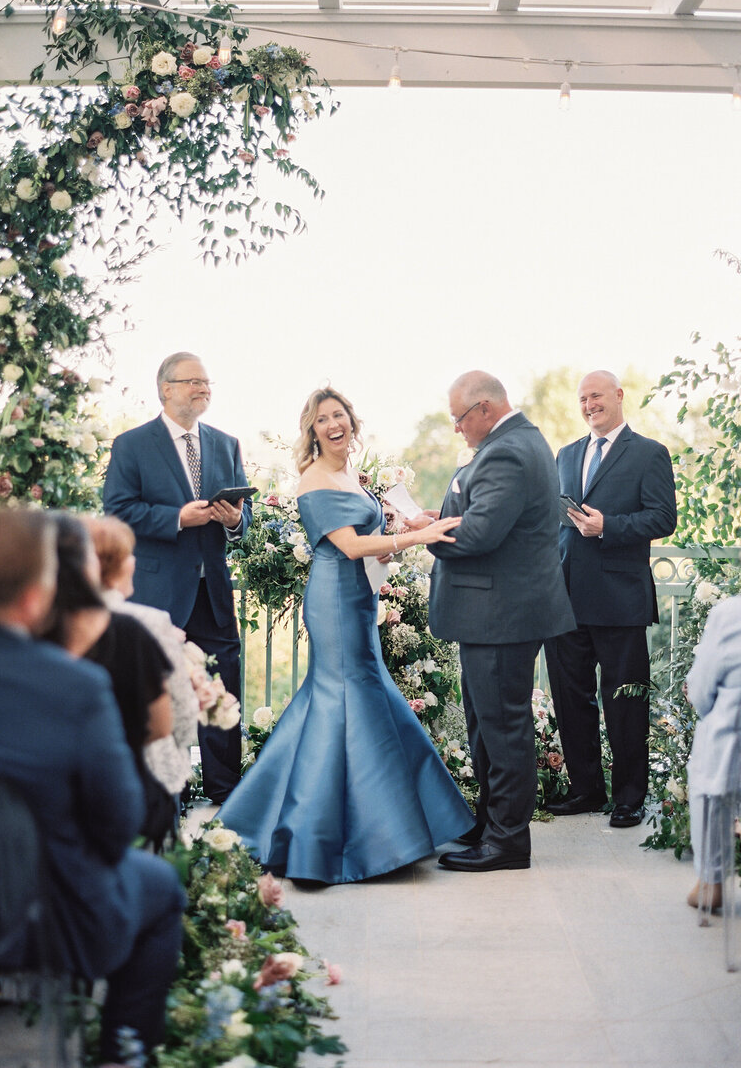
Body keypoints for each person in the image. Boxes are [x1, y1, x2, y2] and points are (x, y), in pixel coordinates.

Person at [0, 509, 185, 1064]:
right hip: (46, 920)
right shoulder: (73, 687)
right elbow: (118, 823)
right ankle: (125, 1054)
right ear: (33, 599)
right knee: (163, 889)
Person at [218, 387, 475, 883]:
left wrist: (403, 531)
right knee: (345, 696)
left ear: (351, 423)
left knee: (353, 697)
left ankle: (396, 822)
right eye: (321, 420)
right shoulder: (314, 479)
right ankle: (312, 841)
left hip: (359, 599)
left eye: (339, 415)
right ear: (312, 431)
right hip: (335, 600)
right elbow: (350, 545)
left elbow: (372, 543)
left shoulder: (347, 475)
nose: (333, 424)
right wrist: (416, 536)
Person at [425, 370, 576, 874]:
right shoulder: (514, 442)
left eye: (458, 418)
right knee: (487, 724)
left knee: (503, 727)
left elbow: (478, 536)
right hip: (498, 614)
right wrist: (439, 519)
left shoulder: (509, 450)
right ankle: (492, 823)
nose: (456, 429)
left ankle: (508, 840)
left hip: (502, 615)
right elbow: (481, 516)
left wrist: (423, 534)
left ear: (484, 409)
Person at [103, 352, 253, 803]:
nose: (203, 389)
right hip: (158, 593)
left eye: (207, 383)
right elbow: (117, 512)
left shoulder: (227, 444)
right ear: (165, 388)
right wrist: (177, 518)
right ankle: (170, 790)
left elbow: (245, 520)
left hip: (214, 592)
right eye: (193, 382)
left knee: (223, 686)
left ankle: (227, 794)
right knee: (161, 689)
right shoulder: (132, 445)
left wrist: (231, 520)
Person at [544, 370, 677, 827]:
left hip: (621, 601)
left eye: (596, 395)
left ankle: (629, 798)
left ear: (618, 396)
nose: (588, 405)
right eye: (582, 398)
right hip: (565, 602)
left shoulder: (649, 453)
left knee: (625, 702)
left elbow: (663, 518)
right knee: (570, 699)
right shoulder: (566, 454)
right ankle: (585, 789)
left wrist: (610, 526)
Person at [43, 513, 176, 850]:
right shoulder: (131, 633)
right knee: (167, 889)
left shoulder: (29, 635)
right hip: (122, 799)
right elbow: (161, 726)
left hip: (50, 802)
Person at [85, 515, 199, 798]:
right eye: (129, 554)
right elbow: (182, 723)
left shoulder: (49, 623)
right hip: (146, 779)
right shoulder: (151, 624)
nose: (135, 562)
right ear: (117, 565)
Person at [684, 594, 741, 911]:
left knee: (712, 760)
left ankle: (712, 880)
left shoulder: (730, 614)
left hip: (731, 757)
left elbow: (702, 694)